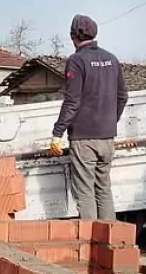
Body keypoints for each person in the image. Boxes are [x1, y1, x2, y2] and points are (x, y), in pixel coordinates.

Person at [50, 14, 128, 220]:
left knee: (85, 192)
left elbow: (72, 101)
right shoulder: (112, 59)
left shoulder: (76, 61)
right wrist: (110, 121)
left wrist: (57, 133)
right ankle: (112, 237)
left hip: (84, 139)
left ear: (72, 36)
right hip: (107, 137)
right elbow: (122, 96)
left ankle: (92, 238)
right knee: (103, 189)